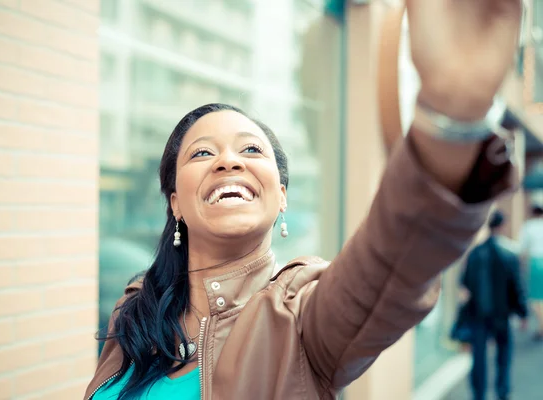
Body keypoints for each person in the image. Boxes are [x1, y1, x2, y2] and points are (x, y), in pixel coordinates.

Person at [84, 1, 523, 399]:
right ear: (175, 203)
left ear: (281, 197)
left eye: (251, 150)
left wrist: (449, 120)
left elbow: (393, 261)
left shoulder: (301, 317)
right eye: (202, 152)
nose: (228, 162)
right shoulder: (135, 312)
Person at [461, 210, 528, 400]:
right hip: (501, 314)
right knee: (503, 357)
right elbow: (517, 286)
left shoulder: (475, 253)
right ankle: (502, 392)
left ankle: (479, 394)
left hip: (478, 315)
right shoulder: (509, 254)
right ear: (502, 226)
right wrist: (522, 313)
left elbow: (465, 284)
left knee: (479, 358)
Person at [520, 204, 543, 340]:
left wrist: (522, 267)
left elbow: (523, 250)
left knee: (535, 298)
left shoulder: (528, 227)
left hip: (534, 263)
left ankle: (541, 325)